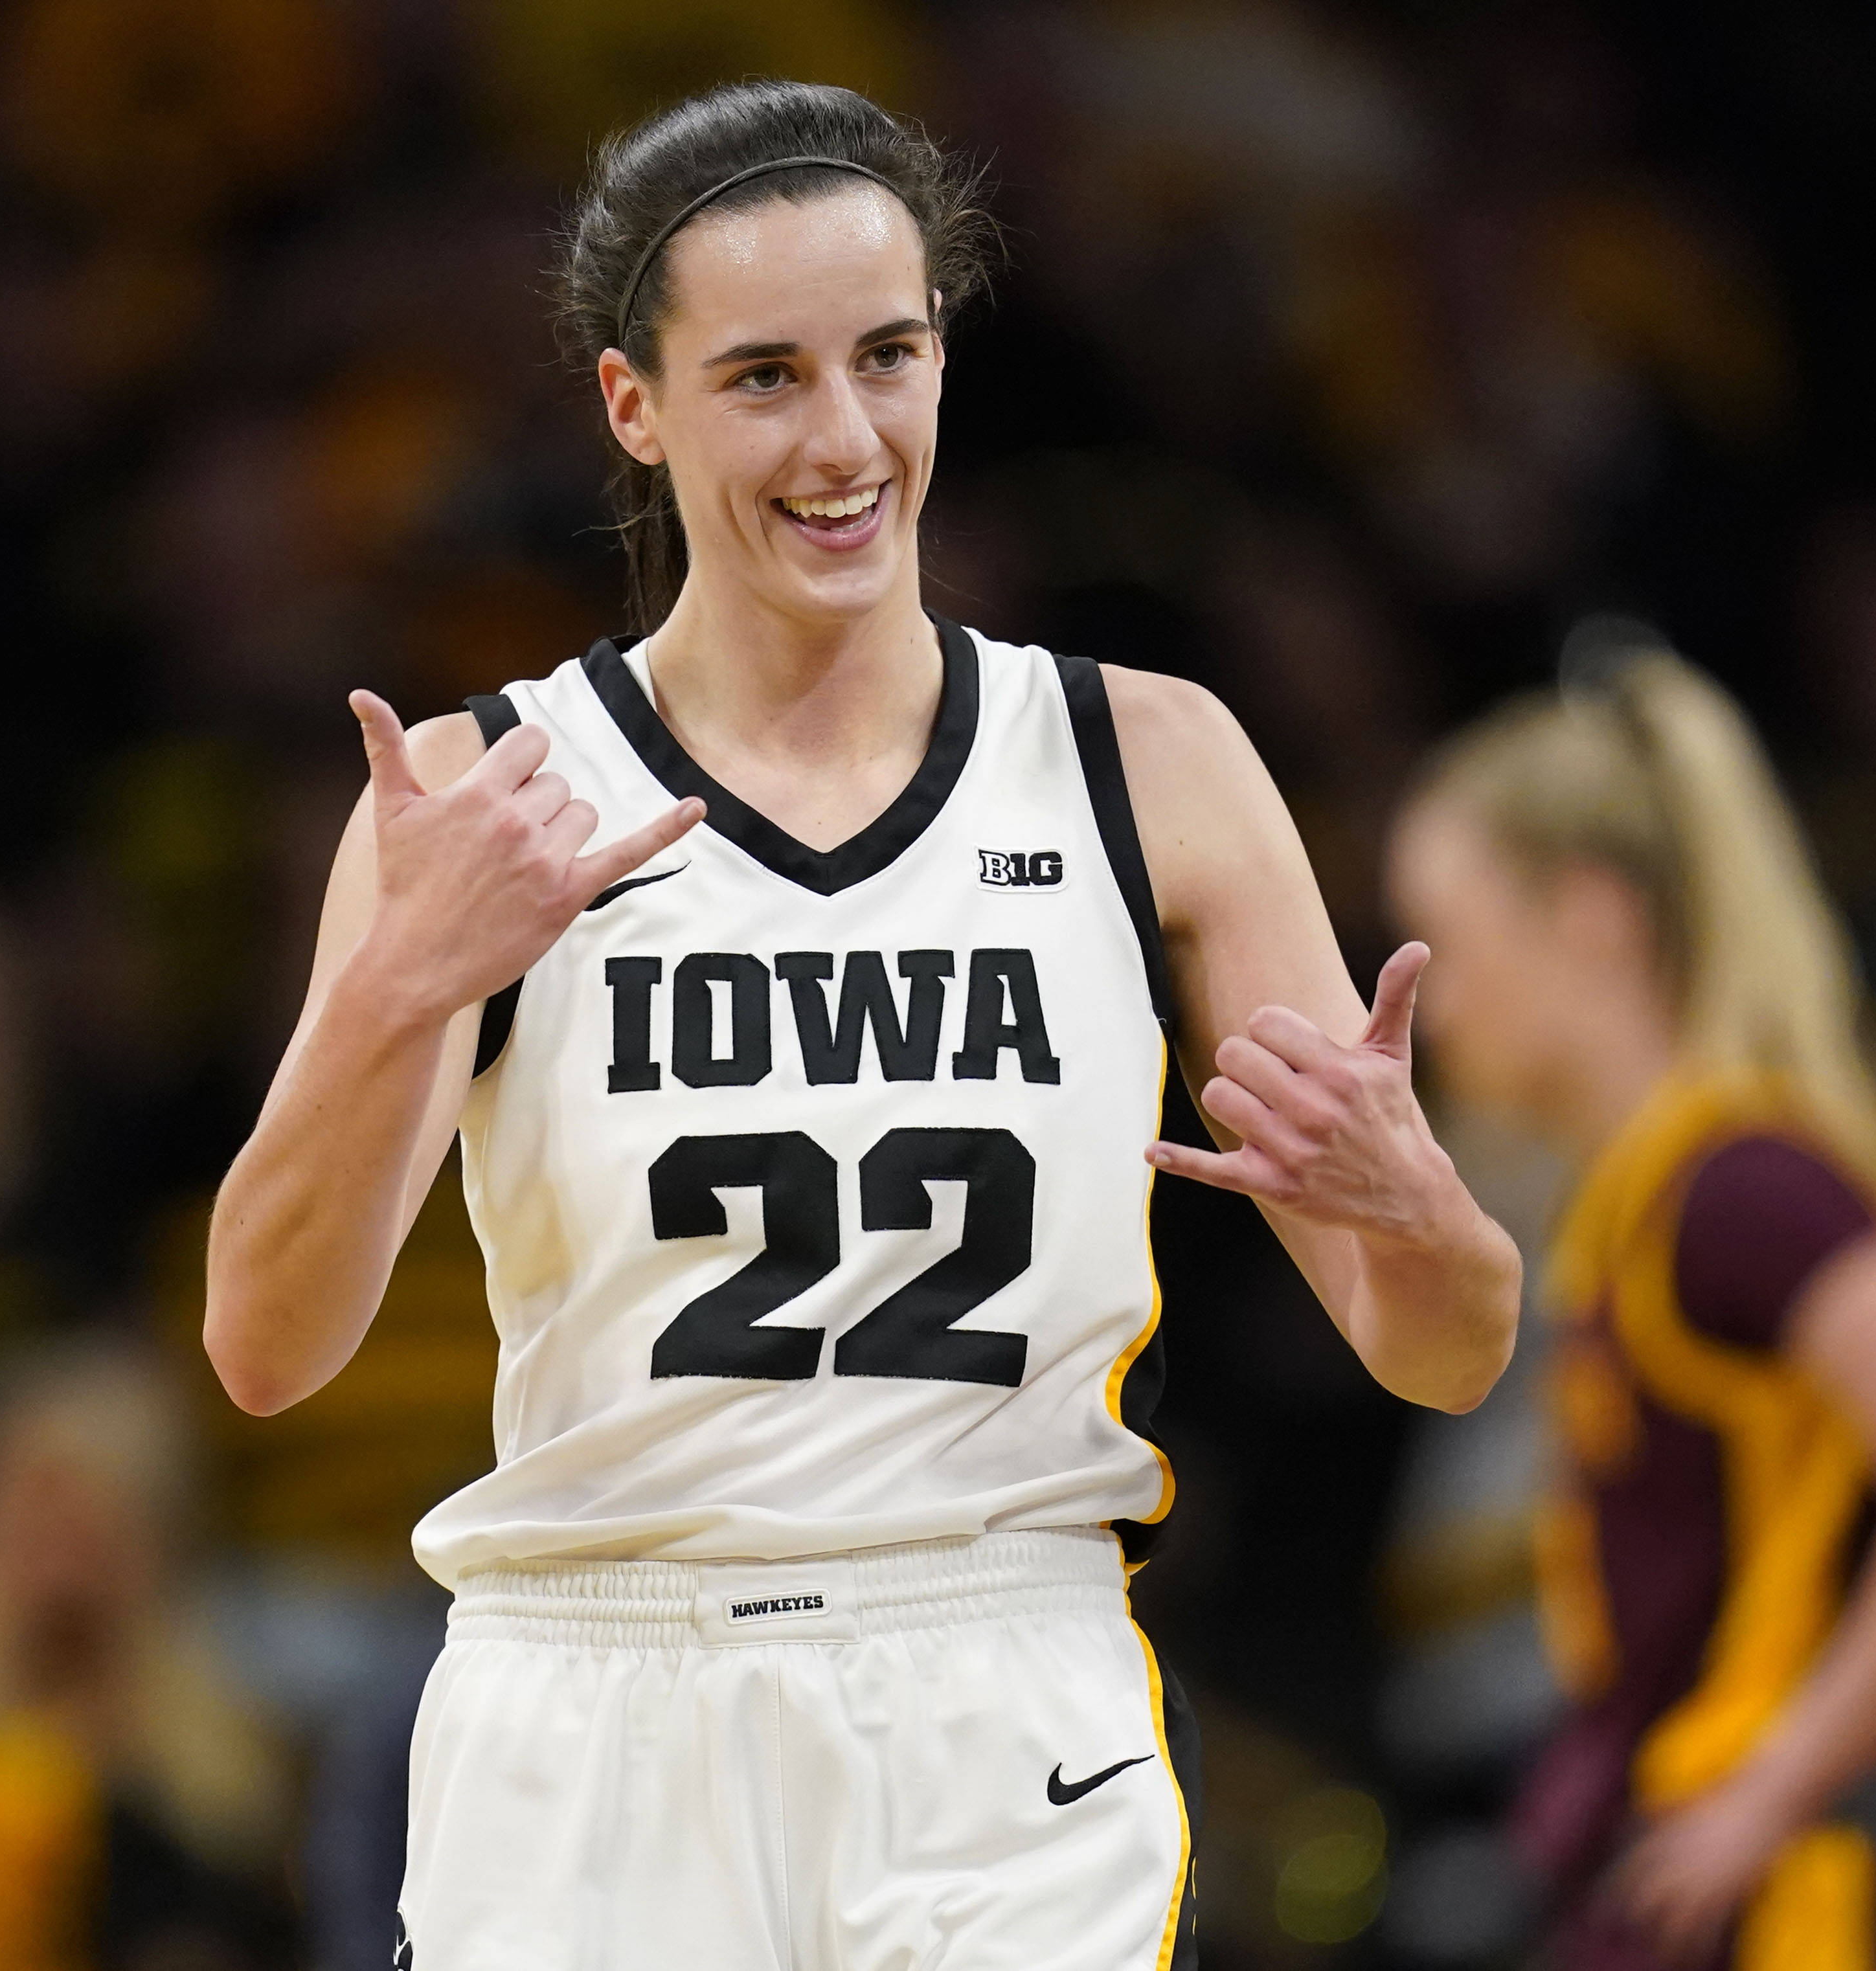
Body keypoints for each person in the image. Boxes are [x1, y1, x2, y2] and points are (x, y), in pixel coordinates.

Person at [201, 80, 1522, 1970]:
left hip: (997, 1675)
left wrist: (1412, 1207)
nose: (843, 439)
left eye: (886, 356)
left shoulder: (1146, 761)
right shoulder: (481, 793)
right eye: (761, 376)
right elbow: (263, 1344)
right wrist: (405, 982)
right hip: (595, 1691)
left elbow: (1448, 1347)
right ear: (630, 407)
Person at [1384, 637, 1876, 1970]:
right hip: (1698, 1889)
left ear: (1592, 913)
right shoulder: (1642, 1206)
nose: (1439, 1010)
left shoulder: (1745, 1186)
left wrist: (1776, 1785)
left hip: (1816, 1907)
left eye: (1454, 949)